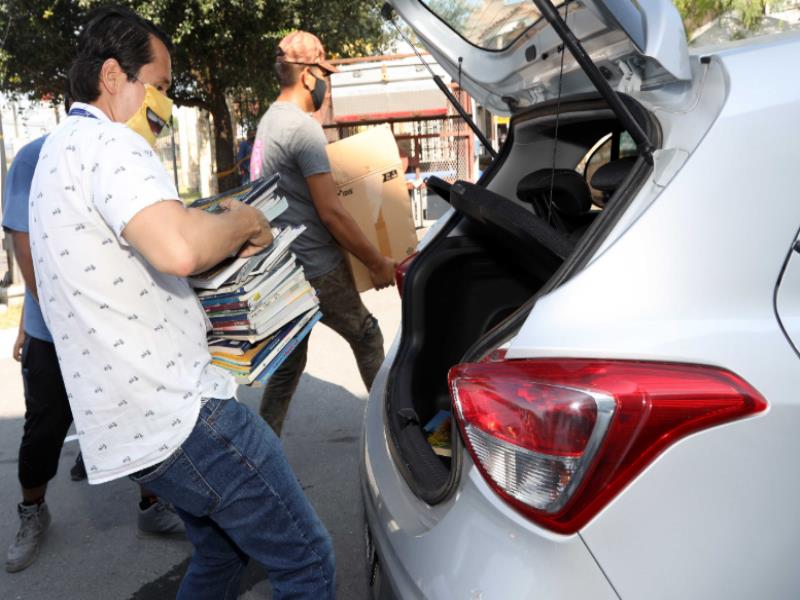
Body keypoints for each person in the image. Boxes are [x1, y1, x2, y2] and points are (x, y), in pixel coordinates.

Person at [28, 7, 334, 598]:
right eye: (161, 87)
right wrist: (243, 220)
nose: (166, 105)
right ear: (114, 75)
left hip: (132, 429)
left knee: (219, 557)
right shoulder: (111, 144)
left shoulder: (54, 153)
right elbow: (177, 248)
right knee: (308, 562)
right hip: (181, 415)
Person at [3, 132, 185, 574]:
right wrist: (39, 309)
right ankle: (33, 512)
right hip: (53, 327)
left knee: (137, 413)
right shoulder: (34, 155)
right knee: (45, 426)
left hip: (111, 322)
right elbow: (21, 235)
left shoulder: (117, 146)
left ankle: (152, 504)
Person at [251, 31, 395, 436]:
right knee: (366, 336)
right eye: (324, 73)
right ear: (308, 76)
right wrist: (376, 261)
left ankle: (266, 448)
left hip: (282, 267)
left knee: (289, 364)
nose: (327, 84)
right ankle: (392, 429)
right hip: (315, 266)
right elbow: (331, 211)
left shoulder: (268, 123)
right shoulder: (303, 129)